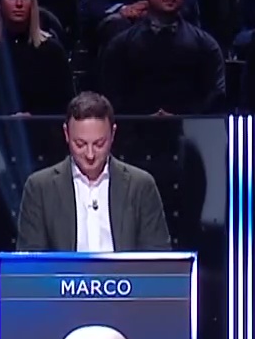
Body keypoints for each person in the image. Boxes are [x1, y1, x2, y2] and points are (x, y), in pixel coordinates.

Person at [16, 92, 171, 252]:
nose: (90, 155)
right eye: (80, 144)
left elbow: (158, 259)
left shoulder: (141, 186)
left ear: (113, 134)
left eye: (99, 144)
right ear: (66, 134)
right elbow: (30, 262)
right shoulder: (40, 188)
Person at [98, 0, 226, 115]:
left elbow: (215, 99)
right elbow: (111, 100)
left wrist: (181, 118)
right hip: (134, 129)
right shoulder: (121, 46)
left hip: (191, 129)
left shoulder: (205, 46)